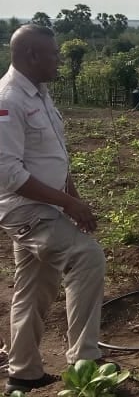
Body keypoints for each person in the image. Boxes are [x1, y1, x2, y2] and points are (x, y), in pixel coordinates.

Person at [0, 25, 106, 394]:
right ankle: (85, 361)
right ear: (32, 55)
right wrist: (68, 202)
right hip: (26, 209)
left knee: (34, 287)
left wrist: (71, 198)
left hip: (48, 206)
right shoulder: (8, 99)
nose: (59, 59)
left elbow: (52, 156)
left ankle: (23, 372)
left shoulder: (40, 94)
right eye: (54, 53)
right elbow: (8, 173)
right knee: (87, 257)